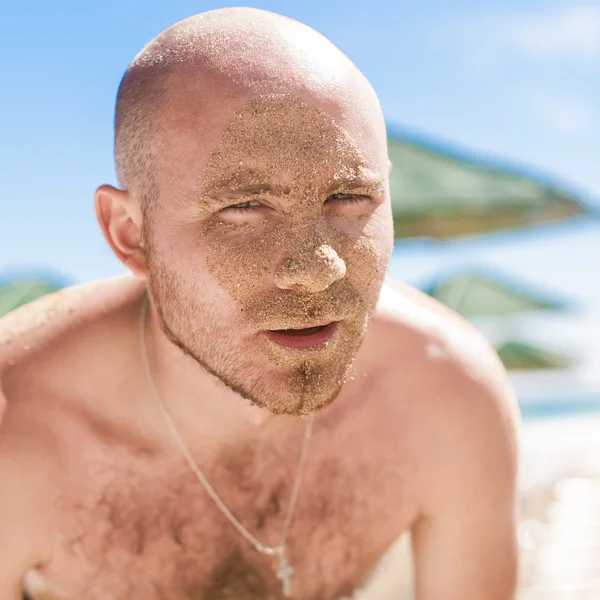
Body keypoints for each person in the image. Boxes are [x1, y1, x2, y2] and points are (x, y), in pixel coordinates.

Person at [0, 7, 520, 600]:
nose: (321, 269)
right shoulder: (18, 438)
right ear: (129, 234)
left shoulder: (446, 395)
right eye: (245, 209)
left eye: (350, 196)